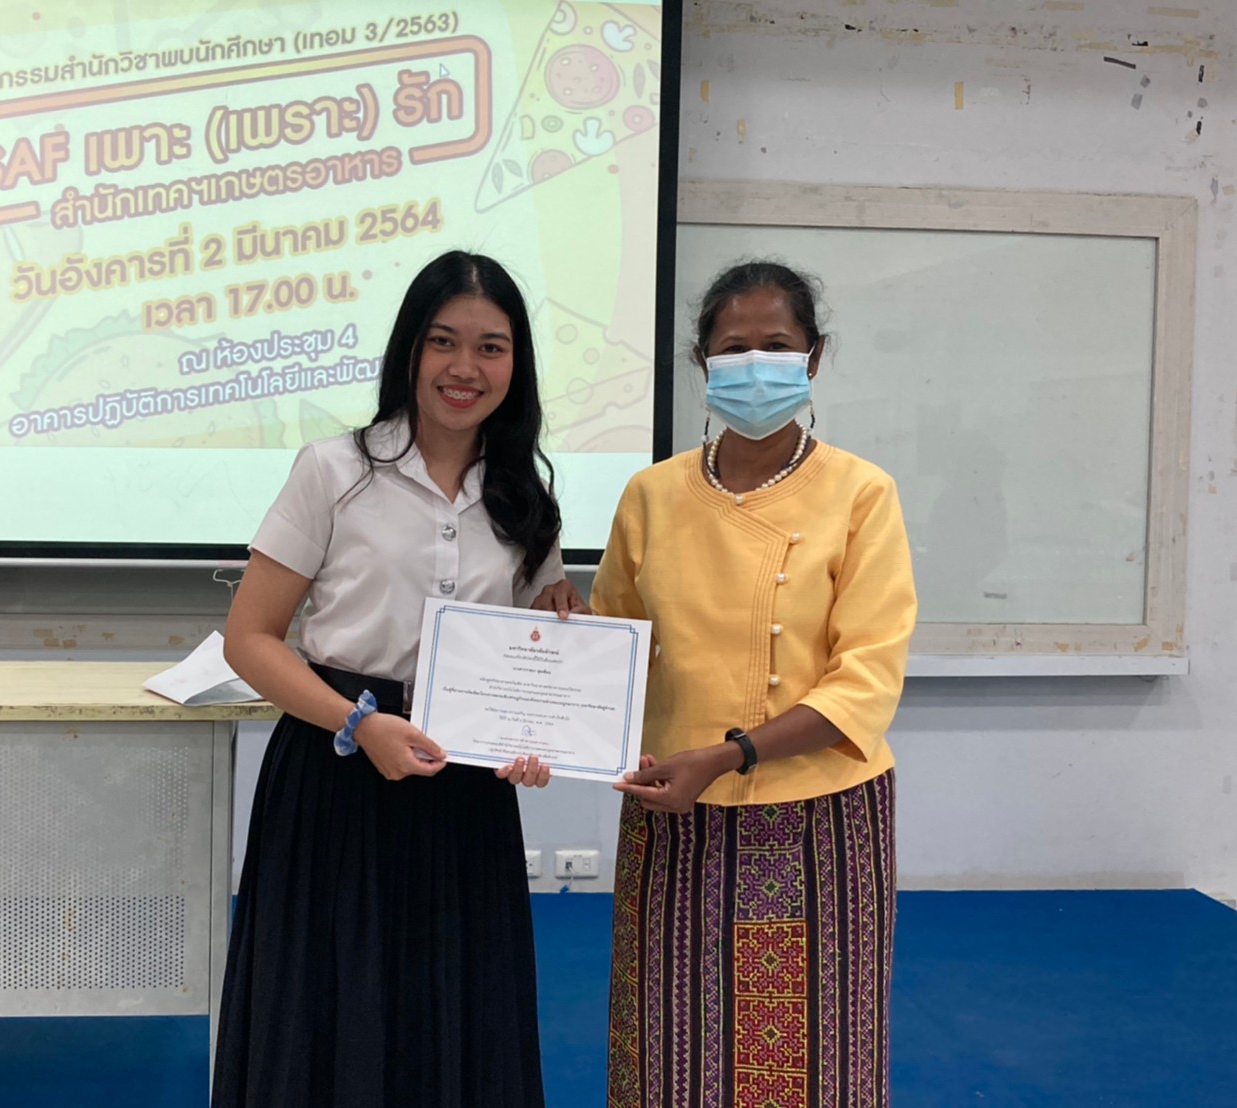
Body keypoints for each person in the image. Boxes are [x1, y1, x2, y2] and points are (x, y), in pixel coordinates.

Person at [212, 250, 581, 1108]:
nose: (465, 367)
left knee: (456, 1011)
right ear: (410, 348)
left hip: (464, 786)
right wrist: (358, 724)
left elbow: (537, 637)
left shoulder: (525, 498)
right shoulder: (333, 471)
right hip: (338, 769)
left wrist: (543, 723)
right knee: (329, 1007)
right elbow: (250, 639)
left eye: (491, 347)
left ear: (517, 364)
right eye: (443, 341)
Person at [545, 259, 917, 1106]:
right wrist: (555, 639)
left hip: (820, 815)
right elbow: (620, 650)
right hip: (674, 809)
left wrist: (729, 754)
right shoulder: (652, 495)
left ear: (813, 357)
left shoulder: (862, 493)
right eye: (734, 347)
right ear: (702, 361)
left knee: (815, 1057)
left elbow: (864, 682)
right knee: (668, 1047)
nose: (757, 365)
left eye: (777, 345)